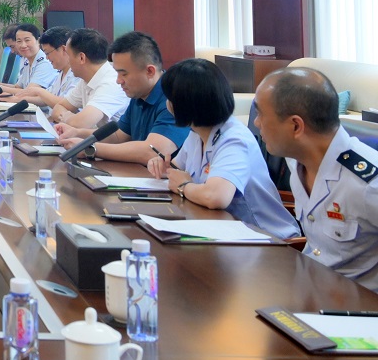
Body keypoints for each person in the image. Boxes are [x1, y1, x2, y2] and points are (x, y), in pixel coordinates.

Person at [147, 58, 300, 239]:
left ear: (184, 104)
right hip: (224, 230)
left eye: (170, 99)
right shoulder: (197, 133)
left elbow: (216, 197)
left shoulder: (234, 139)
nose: (168, 103)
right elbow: (176, 170)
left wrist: (183, 186)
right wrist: (162, 167)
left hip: (268, 239)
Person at [255, 67, 378, 291]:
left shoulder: (367, 184)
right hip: (308, 289)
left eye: (261, 114)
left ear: (295, 126)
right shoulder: (295, 161)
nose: (256, 123)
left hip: (356, 306)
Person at [56, 31, 190, 164]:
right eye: (117, 73)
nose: (118, 81)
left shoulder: (173, 98)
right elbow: (119, 136)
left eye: (124, 74)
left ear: (149, 71)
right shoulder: (139, 94)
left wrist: (91, 149)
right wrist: (77, 133)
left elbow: (152, 152)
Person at [49, 28, 128, 129]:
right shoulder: (86, 79)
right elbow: (58, 108)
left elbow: (80, 123)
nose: (67, 61)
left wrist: (67, 118)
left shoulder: (111, 84)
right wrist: (70, 118)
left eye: (68, 55)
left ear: (81, 58)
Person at [8, 26, 77, 111]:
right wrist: (18, 99)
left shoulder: (77, 75)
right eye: (19, 41)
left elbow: (67, 105)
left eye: (48, 53)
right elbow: (45, 99)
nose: (47, 58)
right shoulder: (61, 73)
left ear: (64, 49)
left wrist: (38, 91)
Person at [0, 23, 56, 94]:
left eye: (27, 40)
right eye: (19, 41)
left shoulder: (45, 63)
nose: (23, 45)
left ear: (38, 41)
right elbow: (18, 87)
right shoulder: (26, 61)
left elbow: (29, 93)